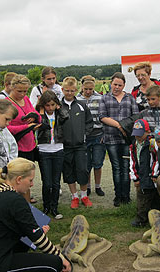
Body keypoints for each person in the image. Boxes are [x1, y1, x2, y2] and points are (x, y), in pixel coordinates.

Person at [0, 158, 71, 272]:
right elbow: (38, 238)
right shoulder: (15, 200)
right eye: (30, 180)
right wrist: (62, 258)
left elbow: (28, 233)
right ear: (19, 179)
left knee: (26, 247)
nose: (32, 184)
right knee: (55, 264)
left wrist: (37, 233)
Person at [99, 72, 139, 207]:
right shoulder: (105, 98)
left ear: (124, 85)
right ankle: (118, 196)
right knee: (116, 167)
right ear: (111, 84)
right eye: (115, 84)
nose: (117, 87)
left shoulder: (130, 98)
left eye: (119, 85)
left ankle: (126, 196)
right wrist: (119, 125)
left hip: (126, 139)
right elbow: (102, 117)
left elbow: (135, 116)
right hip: (110, 138)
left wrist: (124, 127)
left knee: (126, 167)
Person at [61, 76, 94, 209]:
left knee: (82, 170)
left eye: (72, 91)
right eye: (67, 91)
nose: (69, 93)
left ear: (76, 90)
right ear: (62, 90)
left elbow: (89, 122)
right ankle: (74, 197)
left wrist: (84, 135)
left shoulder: (82, 105)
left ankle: (84, 195)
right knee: (69, 171)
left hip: (80, 145)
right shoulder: (58, 106)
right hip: (65, 146)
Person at [35, 90, 69, 219]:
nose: (50, 108)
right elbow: (41, 124)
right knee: (47, 182)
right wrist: (41, 110)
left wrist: (59, 108)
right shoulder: (40, 115)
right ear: (43, 105)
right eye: (47, 105)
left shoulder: (59, 114)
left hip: (58, 150)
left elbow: (66, 116)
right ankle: (46, 206)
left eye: (52, 105)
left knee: (56, 182)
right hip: (44, 151)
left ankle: (55, 207)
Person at [129, 119, 160, 227]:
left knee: (155, 197)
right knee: (142, 197)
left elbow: (157, 159)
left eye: (140, 135)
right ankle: (141, 219)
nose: (138, 137)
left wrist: (154, 173)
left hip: (151, 175)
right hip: (141, 174)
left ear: (148, 132)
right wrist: (135, 177)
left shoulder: (152, 143)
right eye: (136, 135)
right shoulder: (133, 145)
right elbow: (132, 161)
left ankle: (157, 217)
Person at [76, 75, 106, 196]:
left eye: (91, 89)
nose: (88, 91)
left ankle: (98, 186)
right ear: (82, 87)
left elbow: (104, 116)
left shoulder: (100, 98)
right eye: (86, 89)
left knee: (98, 163)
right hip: (84, 137)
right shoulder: (77, 99)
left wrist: (104, 132)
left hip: (98, 134)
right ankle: (87, 187)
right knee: (86, 164)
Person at [131, 62, 160, 128]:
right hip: (143, 129)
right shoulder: (135, 91)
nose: (140, 77)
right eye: (138, 75)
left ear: (149, 74)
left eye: (143, 75)